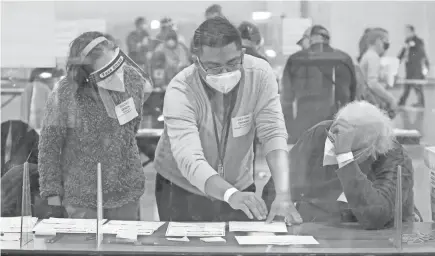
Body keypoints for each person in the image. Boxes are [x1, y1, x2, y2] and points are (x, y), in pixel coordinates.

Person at [153, 17, 302, 224]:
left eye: (232, 63)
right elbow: (189, 159)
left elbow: (273, 133)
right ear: (197, 61)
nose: (225, 73)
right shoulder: (181, 90)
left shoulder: (259, 74)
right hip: (182, 186)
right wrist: (230, 195)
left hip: (239, 183)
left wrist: (283, 192)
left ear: (242, 54)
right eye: (213, 67)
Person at [38, 32, 153, 220]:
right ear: (87, 73)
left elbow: (131, 129)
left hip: (126, 191)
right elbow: (49, 147)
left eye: (116, 64)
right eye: (106, 70)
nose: (116, 73)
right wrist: (52, 197)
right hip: (82, 197)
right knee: (85, 248)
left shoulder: (132, 79)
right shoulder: (66, 92)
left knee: (123, 248)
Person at [264, 101, 415, 229]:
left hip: (382, 243)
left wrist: (345, 158)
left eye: (348, 146)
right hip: (321, 238)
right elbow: (272, 190)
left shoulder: (393, 156)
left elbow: (375, 217)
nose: (332, 150)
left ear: (370, 149)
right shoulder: (319, 136)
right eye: (332, 139)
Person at [281, 25, 356, 144]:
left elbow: (286, 99)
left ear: (309, 39)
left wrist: (290, 126)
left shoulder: (295, 59)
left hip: (304, 126)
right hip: (336, 125)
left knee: (307, 160)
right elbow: (351, 95)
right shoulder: (344, 58)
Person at [359, 28, 397, 114]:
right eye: (386, 40)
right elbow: (372, 83)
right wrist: (390, 99)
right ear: (378, 41)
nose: (387, 44)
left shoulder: (368, 55)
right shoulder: (373, 57)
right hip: (372, 101)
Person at [398, 25, 430, 108]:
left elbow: (421, 53)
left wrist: (425, 66)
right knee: (407, 85)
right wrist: (398, 60)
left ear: (412, 31)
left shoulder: (418, 41)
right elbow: (403, 51)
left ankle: (420, 103)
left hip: (416, 67)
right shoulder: (407, 41)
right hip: (409, 67)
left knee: (417, 85)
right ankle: (402, 102)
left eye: (407, 31)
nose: (406, 33)